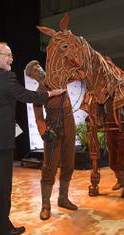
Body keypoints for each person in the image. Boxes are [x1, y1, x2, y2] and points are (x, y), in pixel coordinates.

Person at [0, 42, 65, 235]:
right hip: (0, 141)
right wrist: (50, 94)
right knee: (1, 186)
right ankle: (2, 228)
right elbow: (26, 96)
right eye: (8, 55)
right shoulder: (5, 76)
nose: (11, 59)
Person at [25, 60, 77, 220]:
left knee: (69, 163)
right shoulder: (38, 94)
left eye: (38, 66)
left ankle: (63, 198)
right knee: (49, 167)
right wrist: (44, 132)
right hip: (53, 127)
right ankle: (45, 205)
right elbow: (39, 117)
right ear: (32, 76)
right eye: (34, 70)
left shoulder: (60, 79)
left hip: (69, 123)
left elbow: (77, 74)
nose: (38, 69)